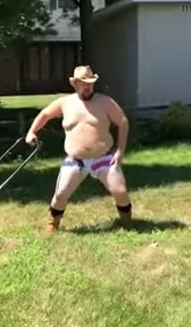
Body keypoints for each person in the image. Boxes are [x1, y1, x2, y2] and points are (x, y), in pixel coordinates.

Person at [25, 65, 133, 236]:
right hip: (76, 159)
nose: (87, 87)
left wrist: (119, 151)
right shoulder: (64, 103)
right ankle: (53, 223)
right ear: (74, 84)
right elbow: (45, 115)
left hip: (103, 157)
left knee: (119, 191)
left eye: (90, 83)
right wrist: (31, 132)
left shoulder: (105, 102)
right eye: (83, 83)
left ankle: (126, 220)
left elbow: (122, 122)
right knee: (60, 194)